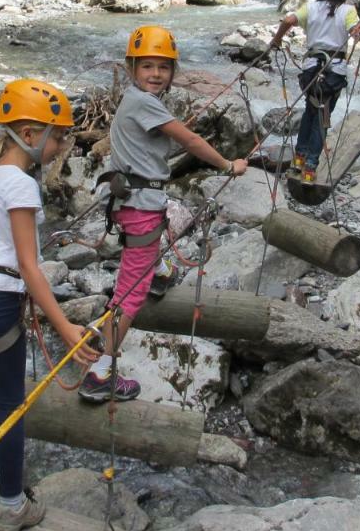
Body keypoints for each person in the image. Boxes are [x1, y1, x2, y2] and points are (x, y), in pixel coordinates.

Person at [0, 80, 98, 531]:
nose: (61, 147)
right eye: (57, 137)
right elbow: (30, 269)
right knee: (12, 406)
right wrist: (67, 328)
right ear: (30, 135)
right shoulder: (22, 185)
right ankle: (13, 503)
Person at [79, 26, 248, 403]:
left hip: (134, 204)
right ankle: (100, 372)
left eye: (163, 67)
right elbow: (187, 139)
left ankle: (154, 271)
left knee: (146, 249)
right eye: (147, 67)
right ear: (131, 68)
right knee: (128, 297)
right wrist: (225, 164)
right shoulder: (144, 103)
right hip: (139, 206)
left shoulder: (135, 99)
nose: (155, 74)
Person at [267, 0, 360, 183]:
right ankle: (310, 167)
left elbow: (288, 20)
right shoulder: (347, 11)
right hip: (334, 72)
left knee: (310, 110)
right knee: (321, 119)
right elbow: (357, 34)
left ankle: (299, 159)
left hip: (310, 70)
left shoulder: (311, 8)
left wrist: (276, 40)